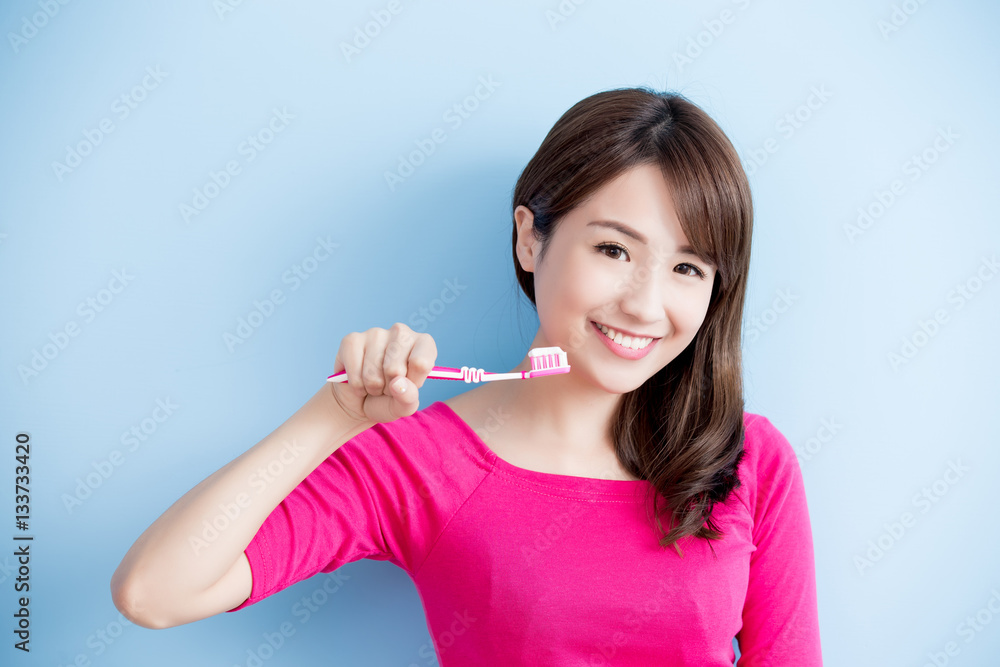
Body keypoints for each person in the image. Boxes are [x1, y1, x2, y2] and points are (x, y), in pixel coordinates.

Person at [111, 87, 822, 665]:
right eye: (613, 248)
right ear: (528, 236)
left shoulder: (750, 459)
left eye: (687, 268)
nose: (644, 302)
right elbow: (153, 591)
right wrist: (332, 416)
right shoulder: (416, 463)